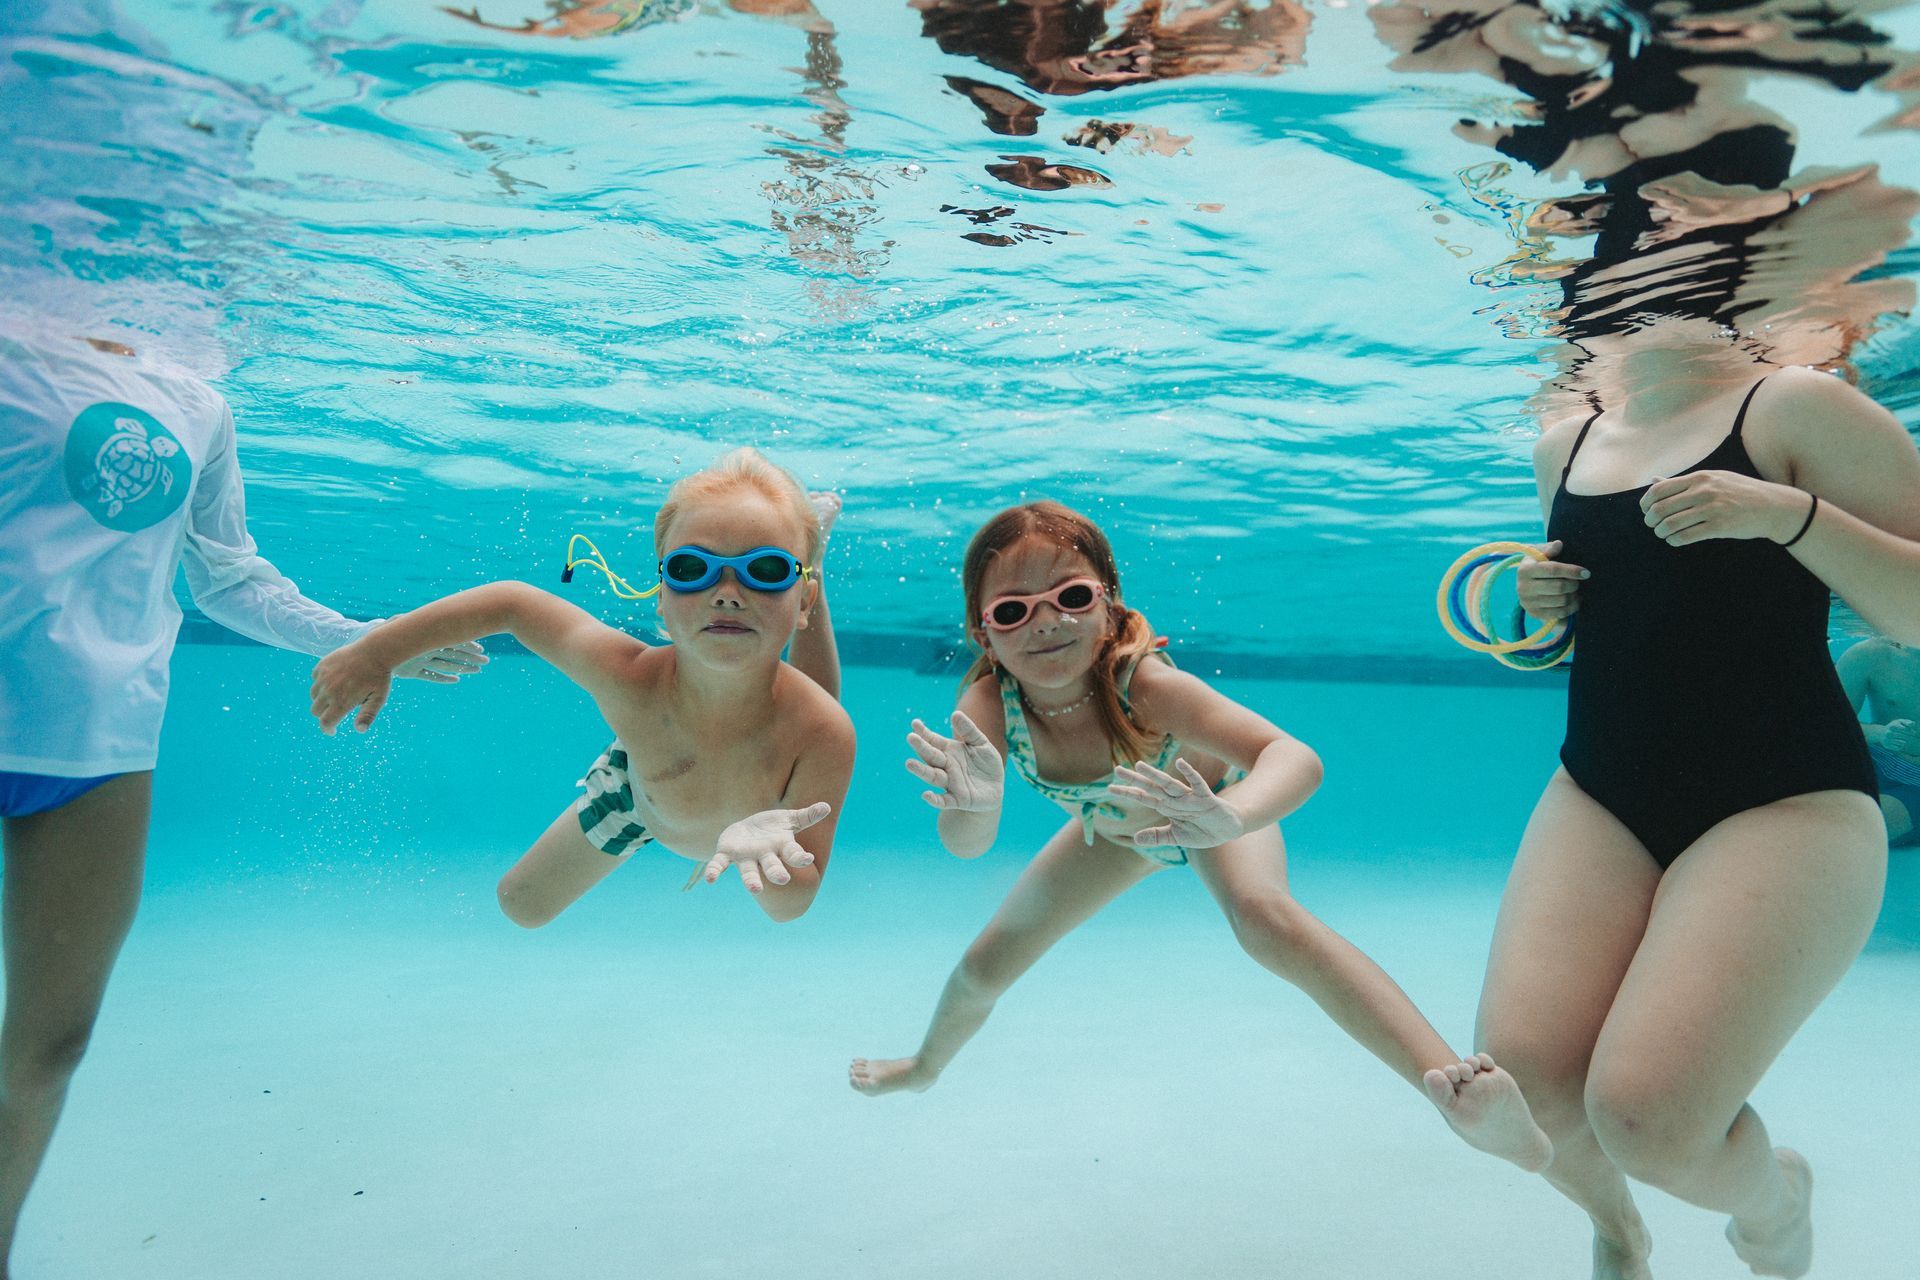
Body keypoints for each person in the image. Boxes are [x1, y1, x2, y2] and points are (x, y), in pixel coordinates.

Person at [849, 500, 1553, 1175]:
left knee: (1265, 921)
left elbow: (1293, 756)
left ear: (1110, 602)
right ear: (984, 635)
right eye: (1013, 611)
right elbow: (967, 846)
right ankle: (924, 1067)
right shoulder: (987, 706)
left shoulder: (1144, 685)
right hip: (1117, 835)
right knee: (981, 969)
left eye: (1071, 596)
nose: (1045, 623)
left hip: (1212, 810)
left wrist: (1234, 817)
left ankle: (1457, 1095)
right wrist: (975, 806)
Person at [0, 325, 482, 1275]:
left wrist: (367, 643)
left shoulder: (197, 397)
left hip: (101, 743)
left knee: (51, 1043)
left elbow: (227, 577)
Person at [1503, 363, 1920, 1280]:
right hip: (1601, 788)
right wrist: (1546, 610)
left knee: (1653, 1123)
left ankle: (1773, 1202)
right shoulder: (1561, 443)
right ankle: (1620, 1231)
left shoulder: (1797, 404)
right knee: (1529, 1090)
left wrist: (1789, 517)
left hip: (1786, 793)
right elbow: (1619, 629)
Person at [308, 449, 854, 922]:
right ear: (661, 595)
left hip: (761, 819)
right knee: (520, 905)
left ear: (799, 601)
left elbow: (793, 909)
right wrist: (375, 651)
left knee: (814, 708)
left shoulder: (823, 734)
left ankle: (814, 566)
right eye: (692, 569)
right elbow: (511, 603)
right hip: (643, 793)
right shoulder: (631, 677)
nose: (728, 592)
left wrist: (770, 860)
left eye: (768, 570)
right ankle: (806, 563)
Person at [1837, 635, 1920, 844]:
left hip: (1916, 785)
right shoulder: (1868, 654)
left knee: (1859, 827)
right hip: (1874, 763)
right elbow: (1829, 726)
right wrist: (1880, 734)